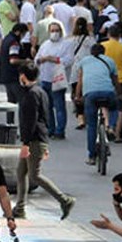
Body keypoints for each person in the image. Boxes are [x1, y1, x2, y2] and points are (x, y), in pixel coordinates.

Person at [15, 62, 76, 218]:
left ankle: (64, 199)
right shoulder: (40, 92)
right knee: (21, 172)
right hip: (39, 138)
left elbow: (31, 121)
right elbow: (45, 117)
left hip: (34, 140)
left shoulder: (31, 95)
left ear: (23, 76)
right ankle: (20, 207)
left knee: (34, 175)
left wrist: (25, 144)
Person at [74, 44, 119, 165]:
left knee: (92, 126)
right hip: (108, 92)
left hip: (90, 94)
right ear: (104, 52)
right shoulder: (110, 61)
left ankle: (91, 156)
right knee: (114, 108)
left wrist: (78, 96)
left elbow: (80, 81)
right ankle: (111, 127)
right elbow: (115, 80)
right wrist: (118, 94)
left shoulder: (84, 61)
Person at [35, 22, 73, 139]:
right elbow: (37, 58)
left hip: (57, 79)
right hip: (44, 78)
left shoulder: (66, 44)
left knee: (59, 106)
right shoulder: (45, 44)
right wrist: (41, 60)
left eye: (57, 30)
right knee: (47, 107)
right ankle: (50, 128)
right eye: (52, 30)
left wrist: (54, 59)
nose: (54, 33)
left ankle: (60, 130)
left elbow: (68, 60)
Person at [0, 23, 30, 124]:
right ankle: (23, 126)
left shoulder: (7, 39)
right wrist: (26, 61)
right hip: (14, 76)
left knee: (10, 104)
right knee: (22, 102)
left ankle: (9, 125)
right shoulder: (14, 43)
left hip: (5, 75)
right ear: (19, 32)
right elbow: (13, 60)